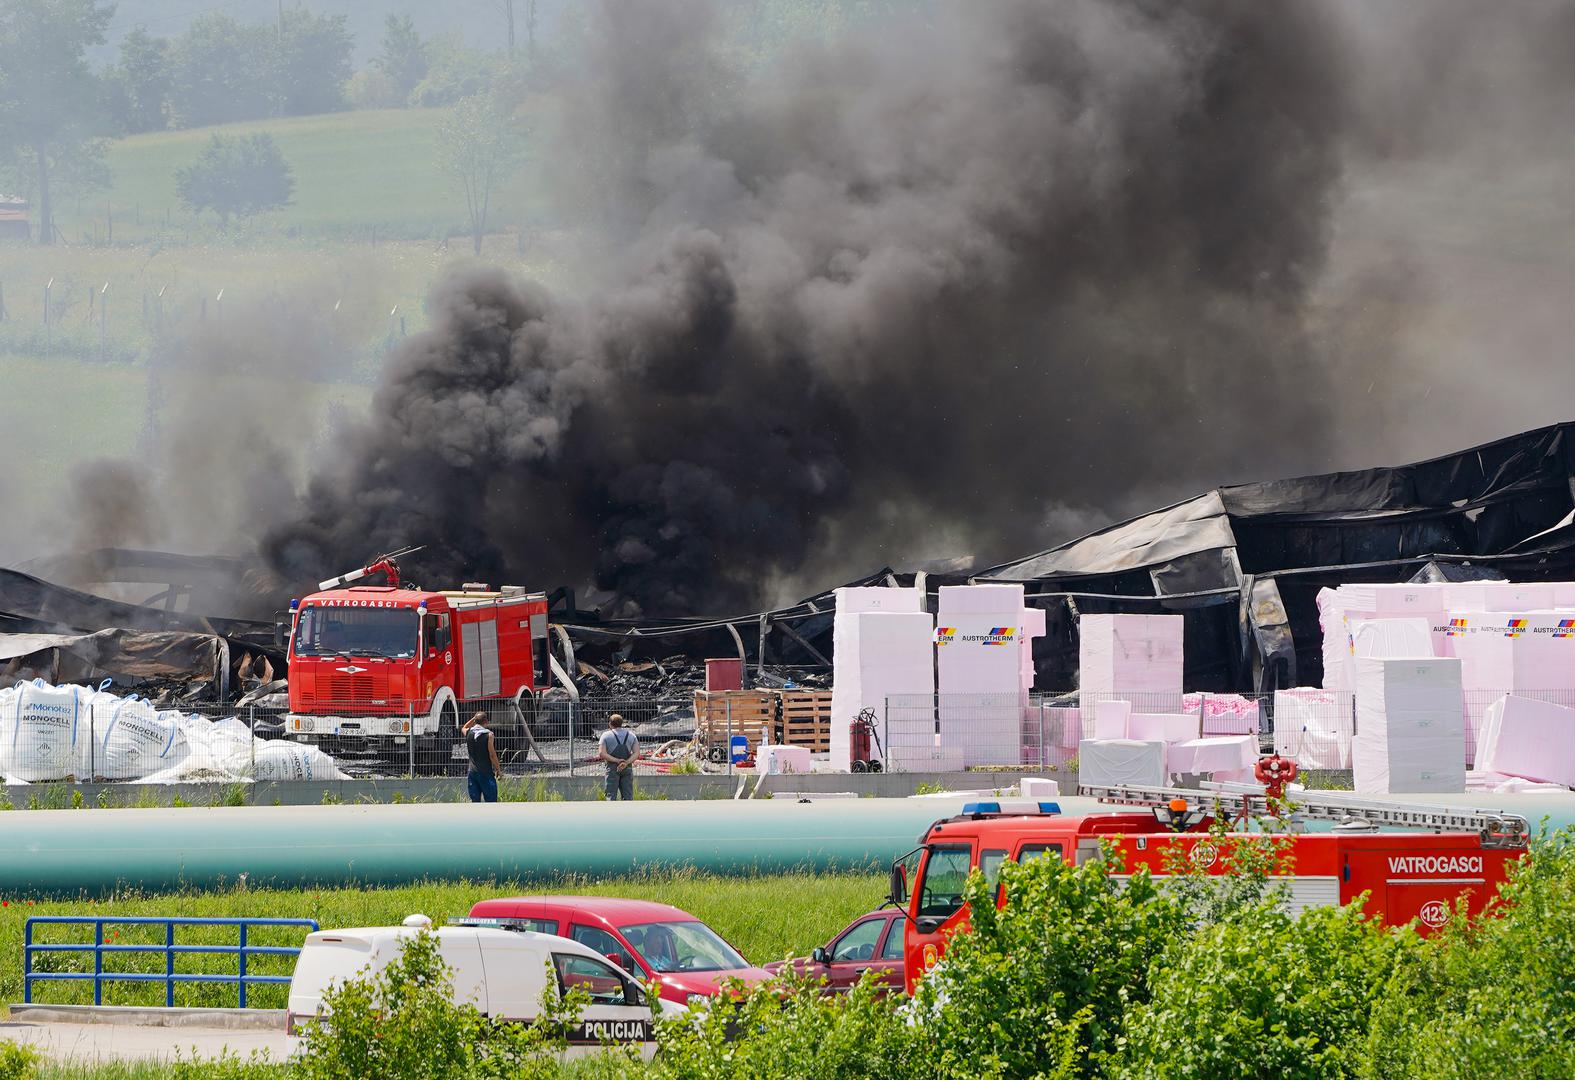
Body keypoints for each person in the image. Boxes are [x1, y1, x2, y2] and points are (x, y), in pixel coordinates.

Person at [598, 713, 638, 801]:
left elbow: (602, 753)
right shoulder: (631, 735)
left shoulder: (605, 735)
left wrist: (617, 760)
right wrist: (625, 762)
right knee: (628, 796)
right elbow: (636, 753)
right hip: (626, 768)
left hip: (612, 769)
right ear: (621, 723)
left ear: (610, 724)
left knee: (610, 796)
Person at [463, 711, 501, 803]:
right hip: (486, 773)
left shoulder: (468, 733)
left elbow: (464, 727)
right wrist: (498, 769)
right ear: (486, 721)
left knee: (475, 802)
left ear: (475, 721)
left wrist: (474, 718)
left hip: (472, 773)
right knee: (491, 802)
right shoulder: (489, 735)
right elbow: (492, 755)